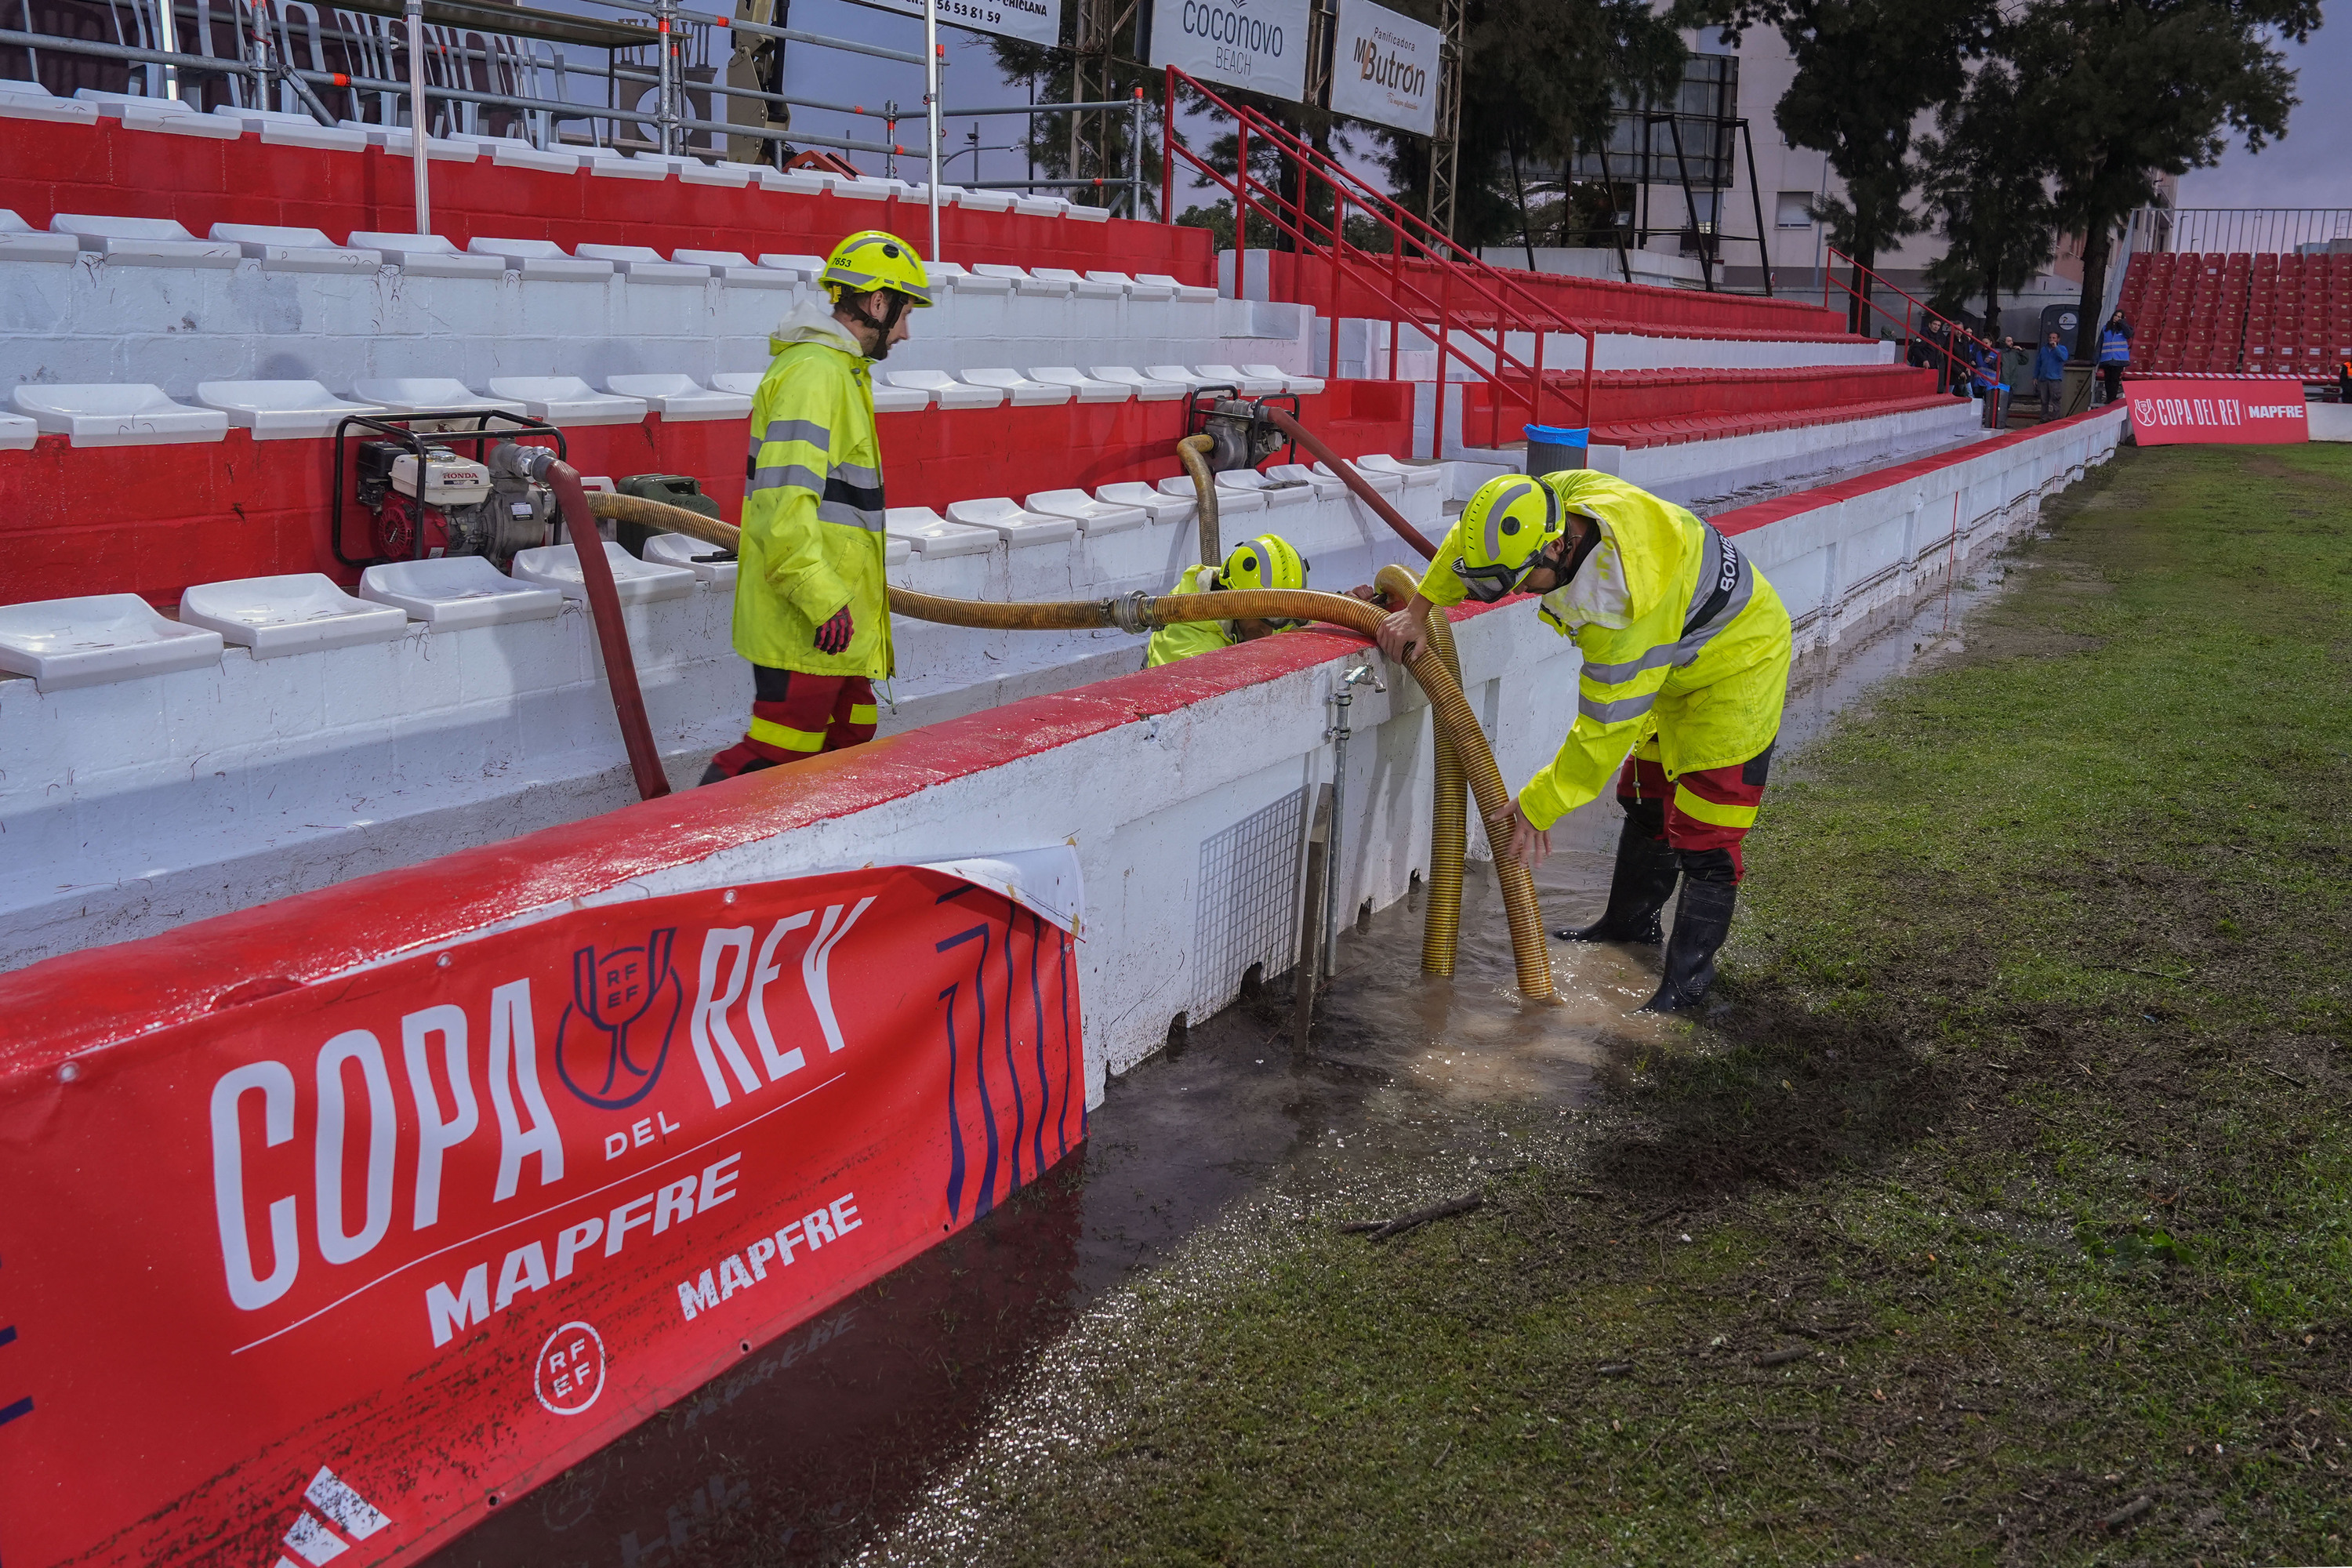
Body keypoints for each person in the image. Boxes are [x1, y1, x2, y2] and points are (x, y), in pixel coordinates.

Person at [1375, 471, 1793, 1014]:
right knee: (1644, 797)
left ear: (1558, 547)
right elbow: (1472, 539)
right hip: (1678, 656)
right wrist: (1420, 608)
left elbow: (1603, 729)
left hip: (1738, 665)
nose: (1523, 594)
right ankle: (1628, 927)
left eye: (1526, 581)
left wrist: (1540, 804)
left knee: (1707, 838)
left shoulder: (1618, 606)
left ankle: (1688, 986)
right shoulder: (1551, 500)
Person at [702, 230, 930, 783]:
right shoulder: (816, 373)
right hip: (809, 618)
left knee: (851, 732)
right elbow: (782, 504)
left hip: (834, 621)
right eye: (903, 312)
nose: (905, 330)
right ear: (878, 302)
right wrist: (822, 598)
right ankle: (688, 853)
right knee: (778, 753)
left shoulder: (841, 373)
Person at [1144, 534, 1309, 666]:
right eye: (1263, 616)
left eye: (1278, 619)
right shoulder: (1190, 648)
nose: (1268, 631)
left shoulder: (1242, 587)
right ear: (1234, 597)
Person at [2096, 310, 2133, 405]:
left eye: (2120, 317)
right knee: (2108, 380)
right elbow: (2100, 344)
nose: (2117, 318)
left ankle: (2112, 399)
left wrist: (2122, 323)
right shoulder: (2105, 329)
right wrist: (2096, 359)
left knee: (2115, 379)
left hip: (2119, 359)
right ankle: (2110, 398)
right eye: (2116, 316)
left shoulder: (2124, 329)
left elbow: (2129, 334)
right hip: (2107, 359)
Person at [2035, 330, 2068, 421]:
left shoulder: (2062, 349)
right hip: (2043, 378)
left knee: (2055, 400)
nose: (2051, 339)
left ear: (2058, 339)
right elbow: (2039, 363)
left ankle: (2055, 420)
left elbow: (2064, 358)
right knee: (2044, 401)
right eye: (2050, 338)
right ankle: (2043, 419)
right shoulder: (2043, 349)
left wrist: (2056, 348)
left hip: (2055, 379)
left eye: (2054, 338)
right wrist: (2035, 376)